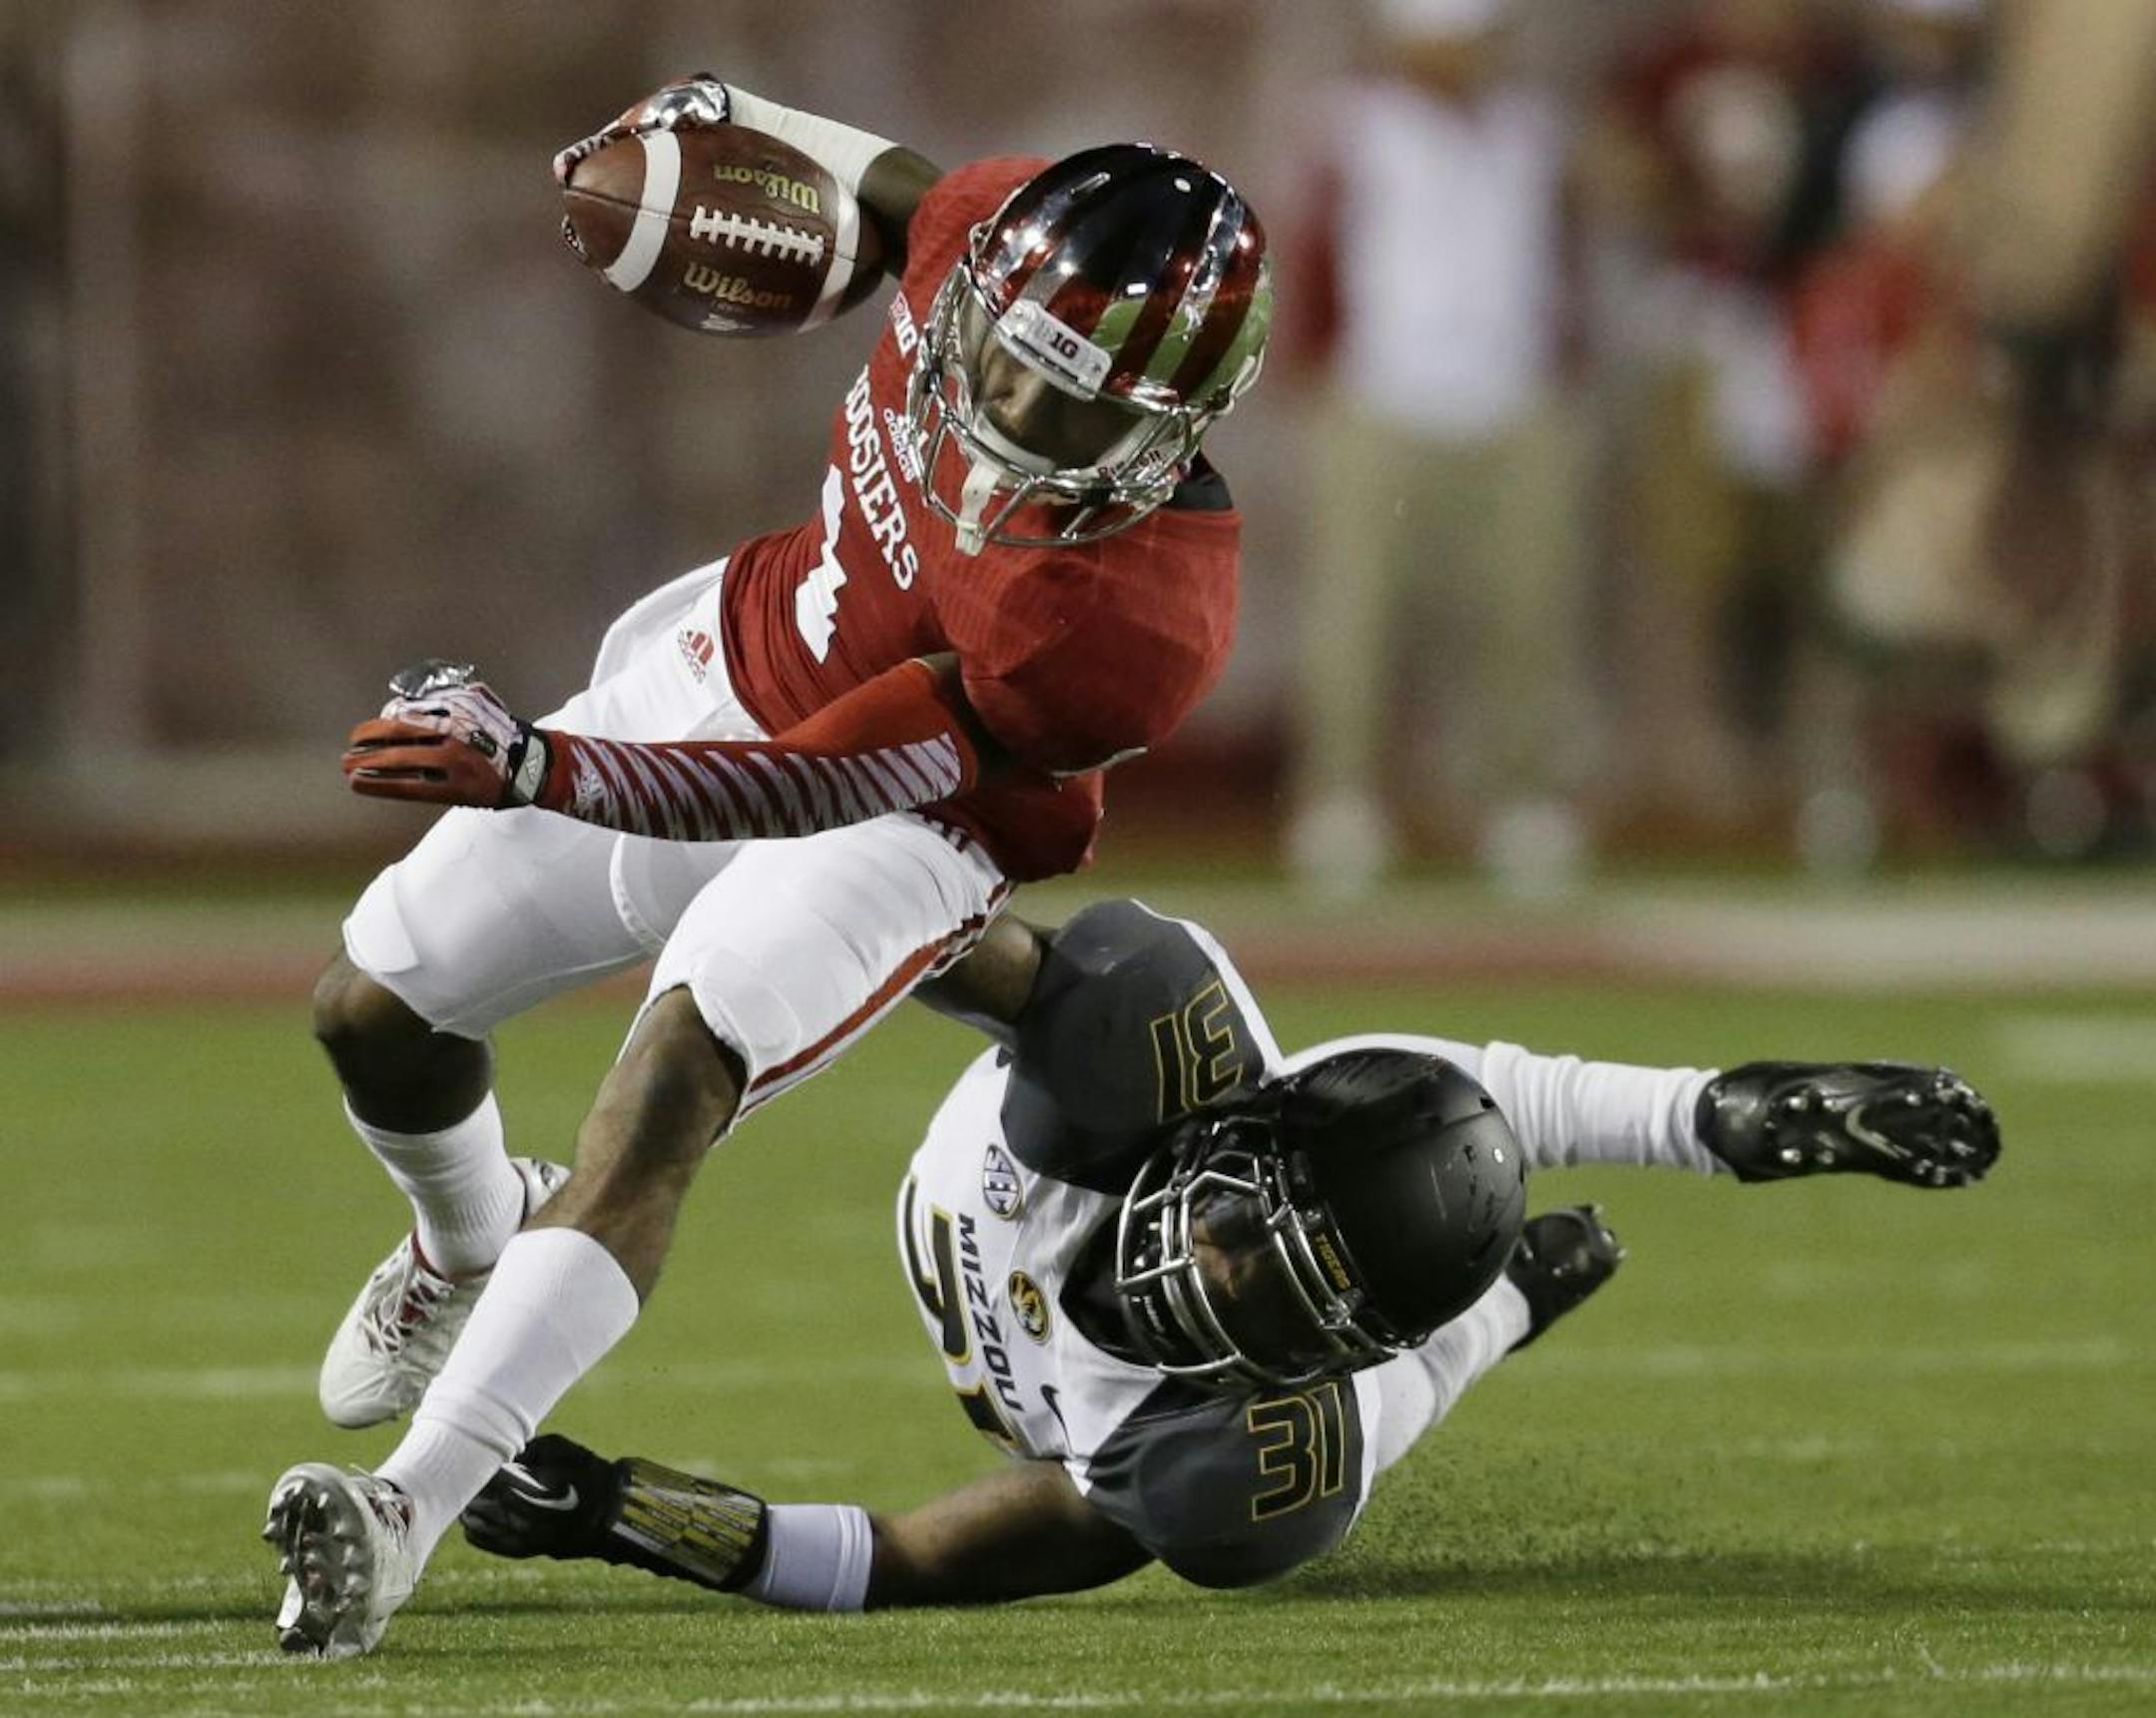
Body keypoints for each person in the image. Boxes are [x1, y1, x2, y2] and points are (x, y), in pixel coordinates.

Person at [267, 75, 1272, 1659]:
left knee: (666, 1085)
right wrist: (737, 116)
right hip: (737, 648)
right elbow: (895, 188)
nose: (1015, 410)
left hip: (901, 821)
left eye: (1077, 406)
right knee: (372, 1008)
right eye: (1010, 356)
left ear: (1168, 435)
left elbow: (833, 775)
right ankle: (469, 1243)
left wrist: (541, 764)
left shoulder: (1121, 618)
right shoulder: (984, 240)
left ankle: (402, 1509)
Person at [437, 897, 1998, 1614]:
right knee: (1401, 1114)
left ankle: (1493, 1309)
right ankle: (1499, 1284)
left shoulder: (1215, 1450)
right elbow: (908, 915)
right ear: (1244, 1126)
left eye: (1283, 1291)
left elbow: (902, 1559)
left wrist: (623, 1514)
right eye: (1255, 1212)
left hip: (1095, 1411)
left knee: (1305, 1489)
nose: (1223, 1264)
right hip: (1041, 1152)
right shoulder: (1153, 1055)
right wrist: (1722, 1110)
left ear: (1320, 1348)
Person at [1281, 0, 1593, 900]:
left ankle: (1520, 797)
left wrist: (1565, 361)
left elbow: (1558, 256)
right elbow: (1314, 257)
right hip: (1383, 393)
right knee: (1357, 616)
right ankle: (1340, 799)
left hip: (1512, 395)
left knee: (1525, 611)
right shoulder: (1353, 128)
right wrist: (1317, 377)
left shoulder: (1533, 131)